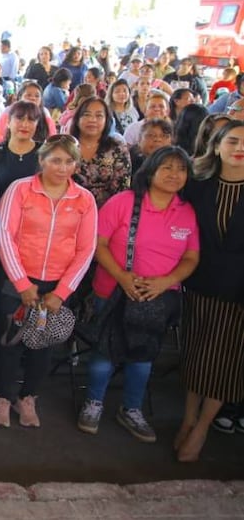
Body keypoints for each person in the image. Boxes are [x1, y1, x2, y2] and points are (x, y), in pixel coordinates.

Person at [78, 146, 198, 442]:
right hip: (114, 290)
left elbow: (191, 258)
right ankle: (93, 402)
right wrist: (121, 276)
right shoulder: (124, 202)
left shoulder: (186, 212)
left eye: (180, 169)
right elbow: (98, 243)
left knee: (143, 359)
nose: (174, 175)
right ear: (151, 170)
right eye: (167, 167)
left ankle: (131, 408)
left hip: (157, 298)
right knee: (105, 353)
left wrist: (165, 281)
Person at [0, 134, 97, 428]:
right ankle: (2, 397)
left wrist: (62, 292)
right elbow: (5, 236)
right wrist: (21, 283)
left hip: (56, 286)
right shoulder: (20, 190)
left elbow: (86, 249)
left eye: (69, 161)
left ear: (76, 164)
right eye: (55, 160)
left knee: (43, 344)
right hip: (18, 281)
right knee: (9, 342)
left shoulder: (84, 199)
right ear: (41, 161)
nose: (62, 167)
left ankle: (28, 398)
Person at [176, 121, 244, 462]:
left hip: (239, 292)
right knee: (196, 352)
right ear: (217, 146)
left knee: (225, 361)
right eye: (232, 141)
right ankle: (188, 418)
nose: (238, 148)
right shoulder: (199, 185)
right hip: (199, 282)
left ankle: (202, 426)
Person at [69, 97, 132, 206]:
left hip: (107, 211)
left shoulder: (117, 146)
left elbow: (122, 186)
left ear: (106, 120)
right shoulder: (66, 145)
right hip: (68, 209)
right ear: (77, 119)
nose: (92, 120)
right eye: (87, 114)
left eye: (99, 115)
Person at [0, 100, 42, 200]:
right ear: (8, 122)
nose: (25, 125)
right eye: (19, 118)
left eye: (31, 120)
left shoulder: (46, 152)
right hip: (1, 212)